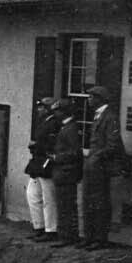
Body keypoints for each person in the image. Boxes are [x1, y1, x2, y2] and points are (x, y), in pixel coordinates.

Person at [80, 85, 128, 250]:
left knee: (99, 203)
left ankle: (99, 238)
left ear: (100, 99)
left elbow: (112, 144)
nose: (88, 100)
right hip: (93, 166)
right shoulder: (98, 115)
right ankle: (89, 236)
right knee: (89, 202)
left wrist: (96, 157)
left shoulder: (110, 117)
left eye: (91, 97)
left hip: (101, 168)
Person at [24, 97, 61, 242]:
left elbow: (51, 144)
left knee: (48, 198)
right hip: (38, 163)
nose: (39, 110)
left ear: (49, 109)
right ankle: (38, 226)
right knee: (32, 195)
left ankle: (51, 230)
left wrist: (36, 145)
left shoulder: (54, 123)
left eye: (42, 107)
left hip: (47, 163)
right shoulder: (43, 122)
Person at [50, 97, 85, 247]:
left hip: (67, 172)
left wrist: (57, 157)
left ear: (63, 112)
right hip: (63, 172)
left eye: (57, 111)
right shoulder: (66, 127)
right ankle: (65, 235)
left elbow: (75, 152)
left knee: (66, 206)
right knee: (63, 205)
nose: (55, 114)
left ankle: (68, 237)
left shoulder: (70, 128)